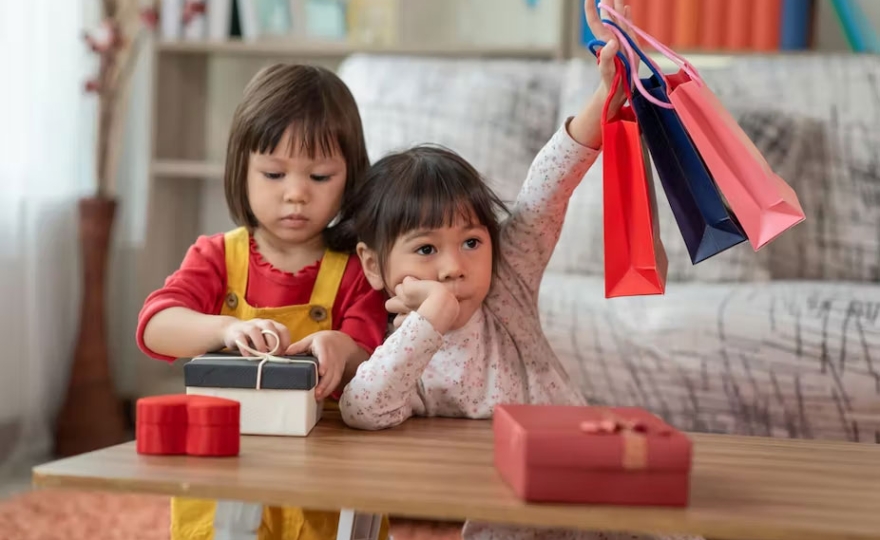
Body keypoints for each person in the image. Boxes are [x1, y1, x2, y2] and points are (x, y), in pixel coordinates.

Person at [338, 1, 702, 539]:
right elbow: (363, 408)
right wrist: (430, 318)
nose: (454, 268)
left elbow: (546, 187)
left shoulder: (505, 281)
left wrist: (605, 97)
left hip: (587, 478)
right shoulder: (406, 349)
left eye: (470, 242)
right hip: (501, 509)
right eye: (425, 251)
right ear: (374, 265)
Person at [136, 63, 390, 540]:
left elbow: (376, 360)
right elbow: (155, 326)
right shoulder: (216, 256)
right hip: (227, 464)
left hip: (320, 473)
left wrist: (343, 348)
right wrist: (222, 329)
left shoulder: (359, 268)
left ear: (350, 177)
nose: (295, 194)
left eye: (319, 176)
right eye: (274, 173)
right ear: (242, 170)